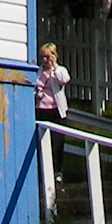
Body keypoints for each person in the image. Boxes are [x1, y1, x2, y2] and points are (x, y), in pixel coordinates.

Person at [36, 42, 72, 175]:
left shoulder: (59, 70)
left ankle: (58, 171)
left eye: (49, 56)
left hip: (56, 111)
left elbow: (65, 80)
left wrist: (54, 67)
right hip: (42, 110)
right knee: (41, 142)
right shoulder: (39, 71)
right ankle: (42, 171)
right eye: (44, 57)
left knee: (57, 142)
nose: (46, 60)